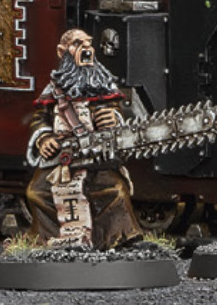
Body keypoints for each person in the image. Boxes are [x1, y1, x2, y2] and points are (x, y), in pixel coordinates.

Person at [21, 28, 142, 250]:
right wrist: (44, 138)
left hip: (96, 159)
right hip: (62, 158)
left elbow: (117, 111)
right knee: (36, 192)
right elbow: (39, 119)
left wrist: (113, 118)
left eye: (88, 43)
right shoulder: (54, 89)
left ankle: (117, 238)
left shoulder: (103, 84)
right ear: (62, 52)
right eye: (77, 44)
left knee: (116, 190)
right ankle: (47, 240)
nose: (86, 48)